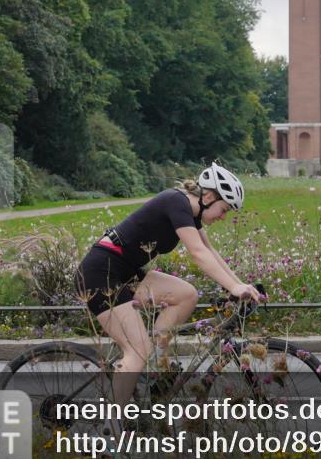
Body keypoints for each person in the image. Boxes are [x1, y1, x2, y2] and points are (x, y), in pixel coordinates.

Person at [75, 162, 263, 416]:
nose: (223, 216)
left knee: (186, 295)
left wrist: (239, 285)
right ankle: (111, 433)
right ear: (209, 197)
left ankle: (154, 367)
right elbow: (197, 254)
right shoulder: (176, 202)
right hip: (101, 273)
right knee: (137, 350)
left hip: (126, 273)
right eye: (224, 209)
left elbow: (210, 252)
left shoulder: (191, 214)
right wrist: (234, 286)